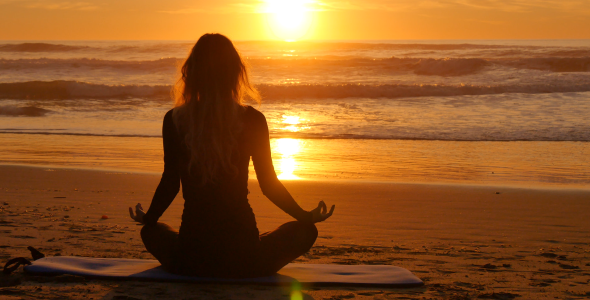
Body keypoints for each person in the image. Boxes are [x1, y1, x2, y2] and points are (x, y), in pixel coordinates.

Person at [128, 33, 335, 278]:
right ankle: (252, 249)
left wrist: (150, 217)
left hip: (193, 258)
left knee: (150, 232)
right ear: (235, 73)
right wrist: (305, 216)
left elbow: (171, 181)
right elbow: (268, 184)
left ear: (192, 73)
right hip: (244, 258)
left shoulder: (174, 120)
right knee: (306, 231)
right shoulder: (253, 120)